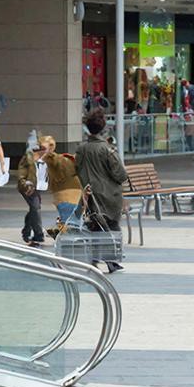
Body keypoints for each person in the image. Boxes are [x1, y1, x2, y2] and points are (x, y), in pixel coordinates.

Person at [75, 111, 128, 274]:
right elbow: (120, 174)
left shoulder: (81, 149)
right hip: (109, 195)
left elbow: (77, 169)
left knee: (94, 226)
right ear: (103, 128)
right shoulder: (107, 149)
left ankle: (94, 259)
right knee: (112, 226)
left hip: (90, 195)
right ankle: (112, 260)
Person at [40, 134, 83, 234]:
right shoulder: (65, 158)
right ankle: (60, 231)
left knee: (67, 221)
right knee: (70, 218)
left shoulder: (52, 158)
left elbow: (48, 158)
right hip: (75, 192)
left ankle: (63, 236)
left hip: (65, 194)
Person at [15, 140, 48, 246]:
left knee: (34, 209)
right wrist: (25, 184)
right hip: (28, 187)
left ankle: (26, 231)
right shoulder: (29, 158)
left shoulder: (49, 158)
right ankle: (38, 234)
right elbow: (21, 173)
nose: (46, 151)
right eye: (43, 148)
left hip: (39, 187)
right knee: (35, 207)